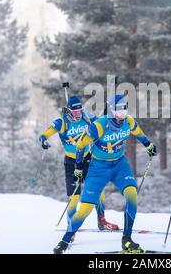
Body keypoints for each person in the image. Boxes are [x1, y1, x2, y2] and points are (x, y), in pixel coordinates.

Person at [53, 94, 157, 254]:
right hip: (98, 168)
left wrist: (148, 144)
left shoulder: (128, 121)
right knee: (86, 208)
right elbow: (81, 144)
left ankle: (127, 239)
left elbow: (138, 132)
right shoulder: (99, 126)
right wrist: (78, 167)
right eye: (118, 110)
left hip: (119, 165)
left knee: (132, 194)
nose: (121, 114)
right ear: (110, 111)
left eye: (124, 110)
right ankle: (65, 240)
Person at [38, 95, 119, 235]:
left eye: (80, 109)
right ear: (69, 110)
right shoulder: (61, 122)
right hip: (71, 163)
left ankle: (102, 220)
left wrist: (107, 110)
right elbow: (43, 135)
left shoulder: (86, 117)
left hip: (87, 159)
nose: (78, 112)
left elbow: (101, 121)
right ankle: (71, 228)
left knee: (98, 190)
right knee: (74, 197)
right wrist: (43, 141)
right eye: (75, 110)